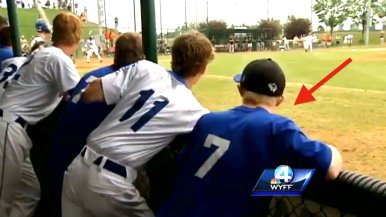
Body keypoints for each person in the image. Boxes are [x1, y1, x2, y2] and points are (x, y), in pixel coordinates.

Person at [156, 58, 343, 217]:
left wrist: (262, 182)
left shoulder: (207, 121)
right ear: (280, 99)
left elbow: (190, 167)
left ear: (240, 89)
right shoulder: (277, 127)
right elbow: (330, 169)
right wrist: (333, 151)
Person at [61, 31, 214, 217]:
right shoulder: (195, 111)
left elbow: (89, 94)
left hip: (77, 168)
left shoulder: (145, 68)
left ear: (174, 57)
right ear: (202, 68)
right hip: (111, 183)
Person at [46, 32, 145, 217]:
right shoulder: (125, 82)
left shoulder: (94, 75)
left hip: (60, 152)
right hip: (79, 161)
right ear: (142, 59)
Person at [0, 12, 82, 217]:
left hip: (14, 127)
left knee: (29, 192)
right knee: (3, 199)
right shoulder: (58, 58)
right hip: (9, 128)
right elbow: (77, 98)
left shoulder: (45, 51)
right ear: (77, 37)